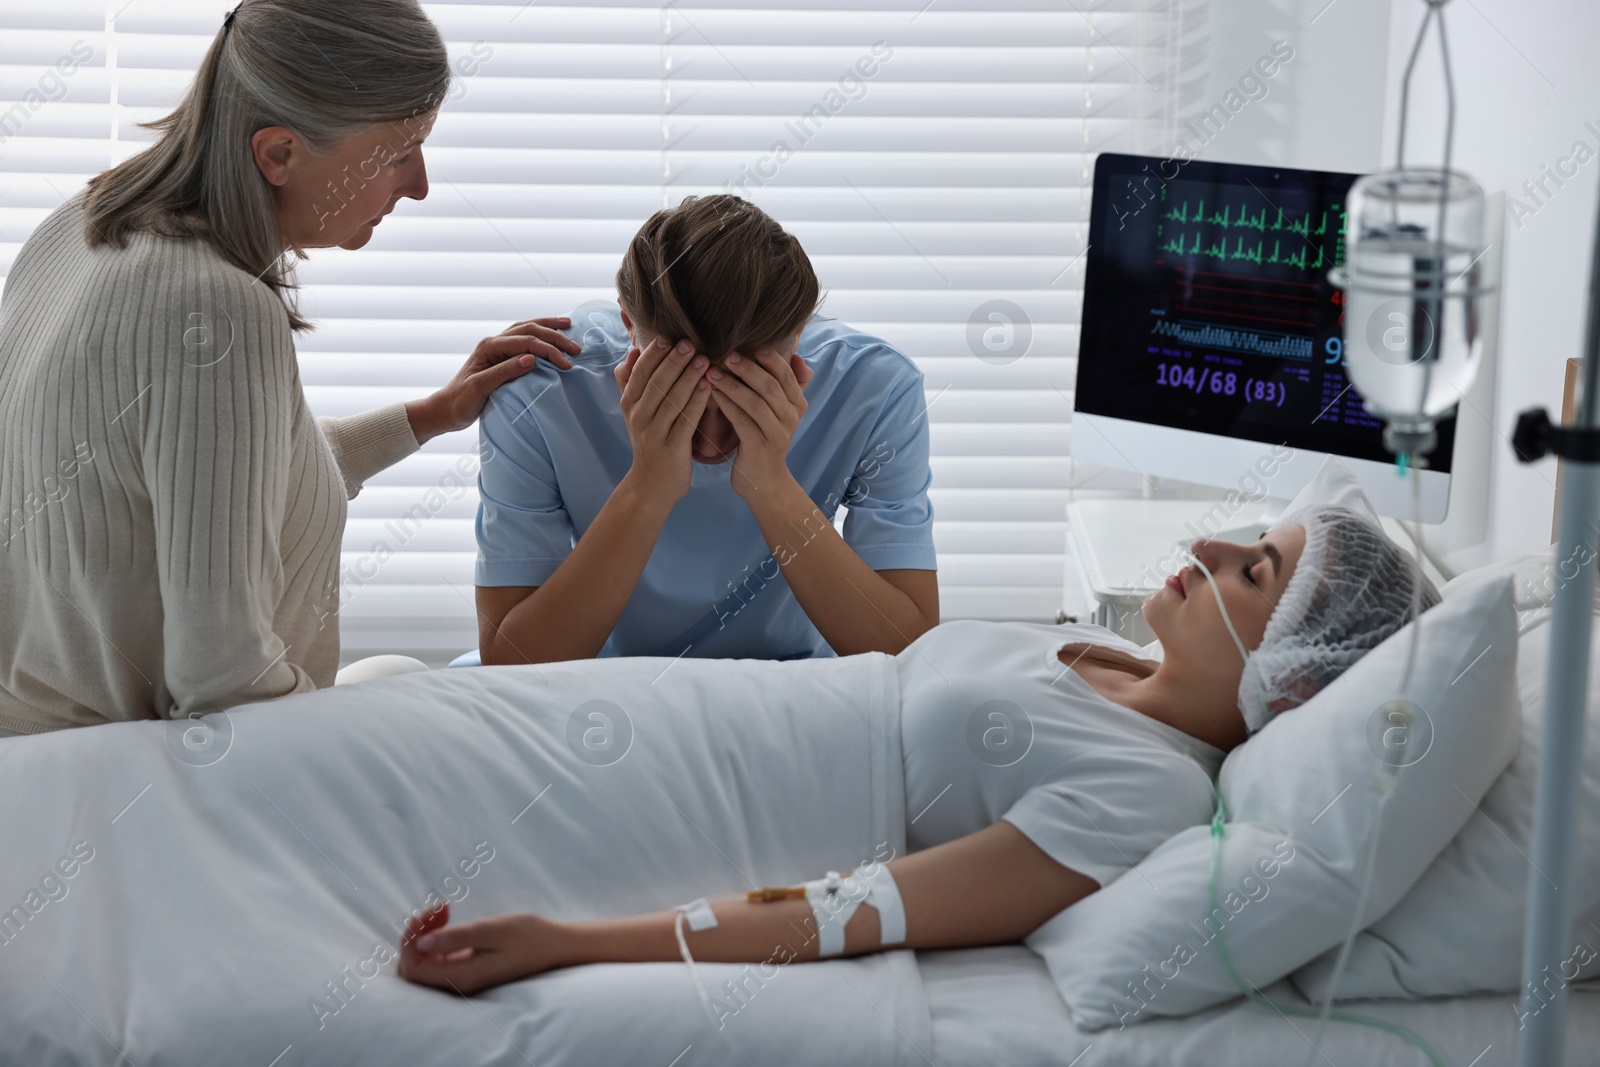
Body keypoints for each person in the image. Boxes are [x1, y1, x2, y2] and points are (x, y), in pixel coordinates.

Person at [398, 506, 1440, 994]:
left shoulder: (1152, 792)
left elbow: (855, 907)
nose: (1205, 546)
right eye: (1246, 537)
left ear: (1293, 680)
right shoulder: (1102, 652)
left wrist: (570, 942)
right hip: (640, 714)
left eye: (1251, 574)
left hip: (671, 805)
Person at [0, 0, 576, 736]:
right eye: (400, 152)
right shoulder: (217, 311)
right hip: (128, 769)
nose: (421, 183)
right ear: (278, 154)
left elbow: (221, 473)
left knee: (403, 679)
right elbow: (224, 679)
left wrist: (433, 414)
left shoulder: (87, 221)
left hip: (32, 746)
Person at [470, 194, 938, 665]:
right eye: (680, 394)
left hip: (793, 685)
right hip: (596, 692)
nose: (710, 441)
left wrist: (771, 484)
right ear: (629, 326)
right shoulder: (536, 392)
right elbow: (512, 664)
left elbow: (908, 654)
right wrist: (648, 486)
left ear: (797, 337)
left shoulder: (876, 387)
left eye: (743, 400)